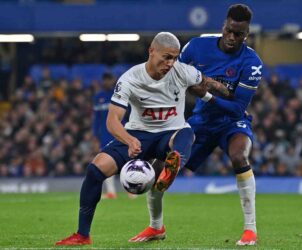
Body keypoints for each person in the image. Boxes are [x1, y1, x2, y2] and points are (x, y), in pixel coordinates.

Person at [55, 32, 227, 246]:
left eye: (174, 57)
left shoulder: (183, 72)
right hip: (138, 134)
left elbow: (205, 81)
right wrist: (128, 139)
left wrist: (225, 91)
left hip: (170, 134)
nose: (170, 63)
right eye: (166, 57)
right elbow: (112, 121)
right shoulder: (130, 79)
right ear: (151, 51)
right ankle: (82, 235)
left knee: (187, 132)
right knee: (95, 170)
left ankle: (172, 167)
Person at [131, 4, 262, 246]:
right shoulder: (197, 47)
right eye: (230, 31)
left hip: (232, 122)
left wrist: (206, 93)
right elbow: (172, 73)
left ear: (247, 34)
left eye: (239, 34)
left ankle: (250, 230)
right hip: (200, 122)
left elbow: (236, 108)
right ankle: (156, 227)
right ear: (224, 25)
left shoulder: (252, 62)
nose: (232, 38)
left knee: (239, 157)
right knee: (161, 163)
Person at [93, 72, 118, 199]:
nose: (107, 82)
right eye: (105, 80)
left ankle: (132, 189)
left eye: (109, 79)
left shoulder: (118, 94)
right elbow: (96, 119)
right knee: (107, 161)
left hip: (120, 131)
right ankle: (111, 192)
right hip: (104, 134)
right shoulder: (99, 97)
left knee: (126, 159)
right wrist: (95, 136)